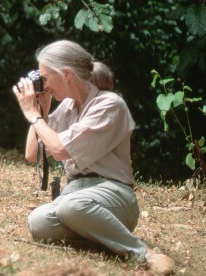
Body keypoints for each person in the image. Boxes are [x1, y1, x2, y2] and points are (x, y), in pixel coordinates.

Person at [12, 40, 174, 275]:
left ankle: (144, 253)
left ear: (66, 74)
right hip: (77, 193)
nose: (44, 84)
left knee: (71, 206)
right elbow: (31, 154)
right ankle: (107, 240)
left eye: (46, 78)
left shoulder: (110, 105)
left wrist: (32, 115)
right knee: (38, 222)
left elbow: (58, 149)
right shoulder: (68, 106)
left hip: (114, 195)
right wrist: (42, 112)